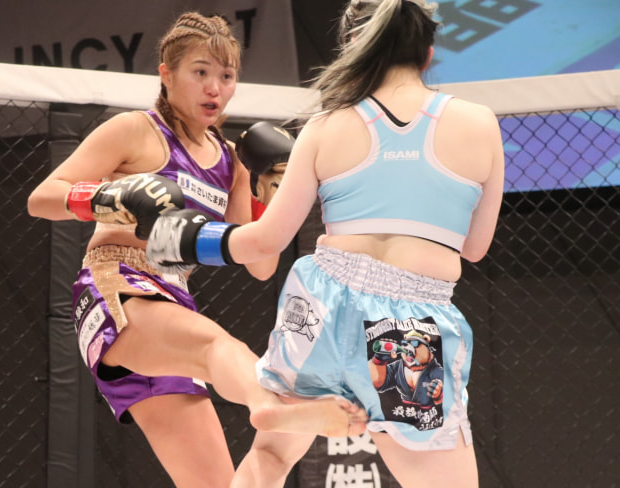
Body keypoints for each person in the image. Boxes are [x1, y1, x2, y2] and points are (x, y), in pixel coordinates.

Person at [145, 0, 505, 486]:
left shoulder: (325, 124)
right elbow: (475, 248)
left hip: (321, 302)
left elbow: (265, 240)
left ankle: (285, 409)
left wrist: (184, 239)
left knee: (271, 457)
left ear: (355, 46)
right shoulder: (479, 123)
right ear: (428, 53)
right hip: (409, 325)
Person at [27, 12, 366, 488]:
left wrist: (268, 190)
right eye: (200, 72)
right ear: (166, 75)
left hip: (173, 300)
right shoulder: (135, 130)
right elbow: (41, 198)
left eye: (226, 76)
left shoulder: (232, 162)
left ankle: (270, 405)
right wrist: (108, 198)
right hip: (116, 286)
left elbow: (261, 264)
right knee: (219, 347)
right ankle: (268, 404)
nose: (215, 88)